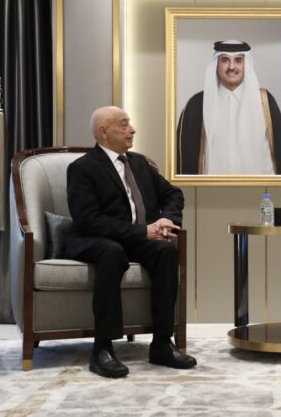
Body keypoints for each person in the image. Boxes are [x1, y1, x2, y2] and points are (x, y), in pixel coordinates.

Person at [66, 105, 197, 378]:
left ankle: (162, 343)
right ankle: (102, 349)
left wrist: (166, 220)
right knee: (112, 253)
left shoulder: (139, 164)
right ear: (104, 131)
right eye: (124, 124)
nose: (132, 130)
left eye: (130, 124)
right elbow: (88, 220)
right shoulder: (82, 168)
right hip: (96, 239)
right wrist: (142, 232)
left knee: (165, 252)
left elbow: (173, 194)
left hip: (136, 239)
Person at [176, 40, 281, 175]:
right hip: (210, 187)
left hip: (259, 187)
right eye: (225, 60)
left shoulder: (264, 102)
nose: (231, 67)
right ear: (216, 65)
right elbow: (183, 158)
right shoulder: (196, 104)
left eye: (238, 60)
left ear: (246, 65)